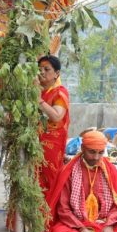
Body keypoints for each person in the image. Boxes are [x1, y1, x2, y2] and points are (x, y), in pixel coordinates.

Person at [37, 54, 70, 198]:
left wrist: (39, 101)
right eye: (39, 69)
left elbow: (57, 116)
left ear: (57, 73)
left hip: (51, 145)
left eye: (47, 69)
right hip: (33, 143)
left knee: (48, 181)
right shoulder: (36, 91)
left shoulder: (60, 92)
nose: (42, 72)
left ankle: (47, 212)